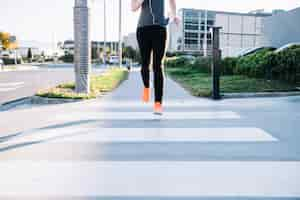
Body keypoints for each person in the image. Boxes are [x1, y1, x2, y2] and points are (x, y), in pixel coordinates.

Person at [131, 0, 179, 115]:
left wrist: (173, 15)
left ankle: (158, 104)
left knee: (158, 66)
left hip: (160, 29)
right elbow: (133, 7)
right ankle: (147, 87)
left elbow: (172, 2)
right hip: (143, 30)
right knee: (145, 64)